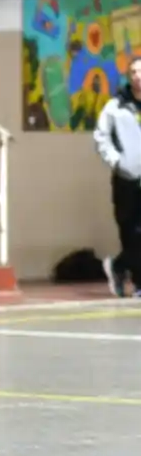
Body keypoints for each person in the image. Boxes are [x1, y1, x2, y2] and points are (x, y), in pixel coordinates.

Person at [94, 57, 141, 296]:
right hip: (126, 180)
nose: (137, 76)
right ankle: (130, 276)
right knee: (131, 233)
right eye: (133, 71)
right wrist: (117, 161)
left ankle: (119, 266)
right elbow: (101, 137)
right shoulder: (116, 106)